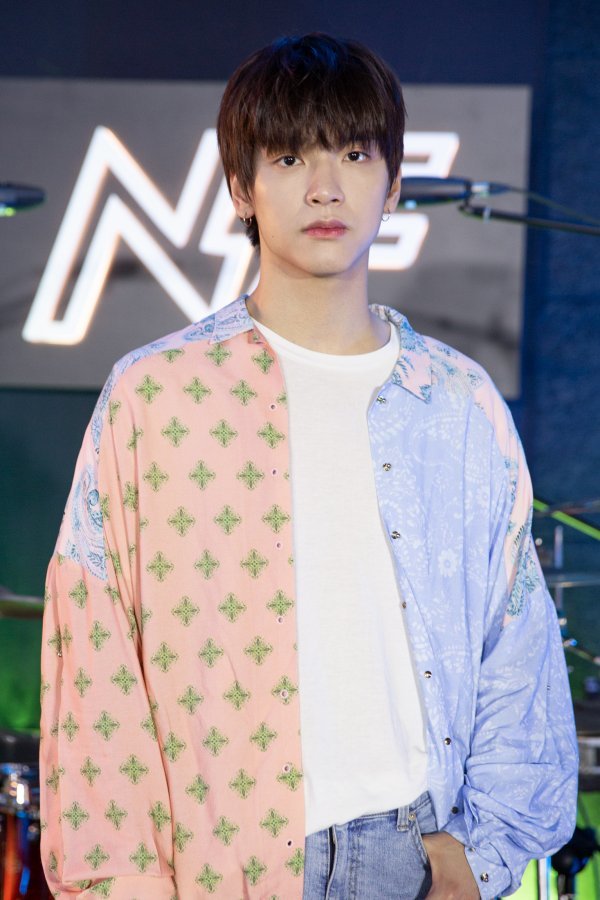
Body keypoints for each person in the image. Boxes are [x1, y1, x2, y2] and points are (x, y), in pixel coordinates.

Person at [39, 33, 578, 900]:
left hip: (413, 856)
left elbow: (517, 644)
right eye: (290, 157)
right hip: (217, 862)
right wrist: (124, 883)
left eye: (355, 155)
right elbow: (95, 647)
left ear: (393, 183)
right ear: (241, 186)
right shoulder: (155, 395)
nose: (325, 187)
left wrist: (480, 854)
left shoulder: (458, 402)